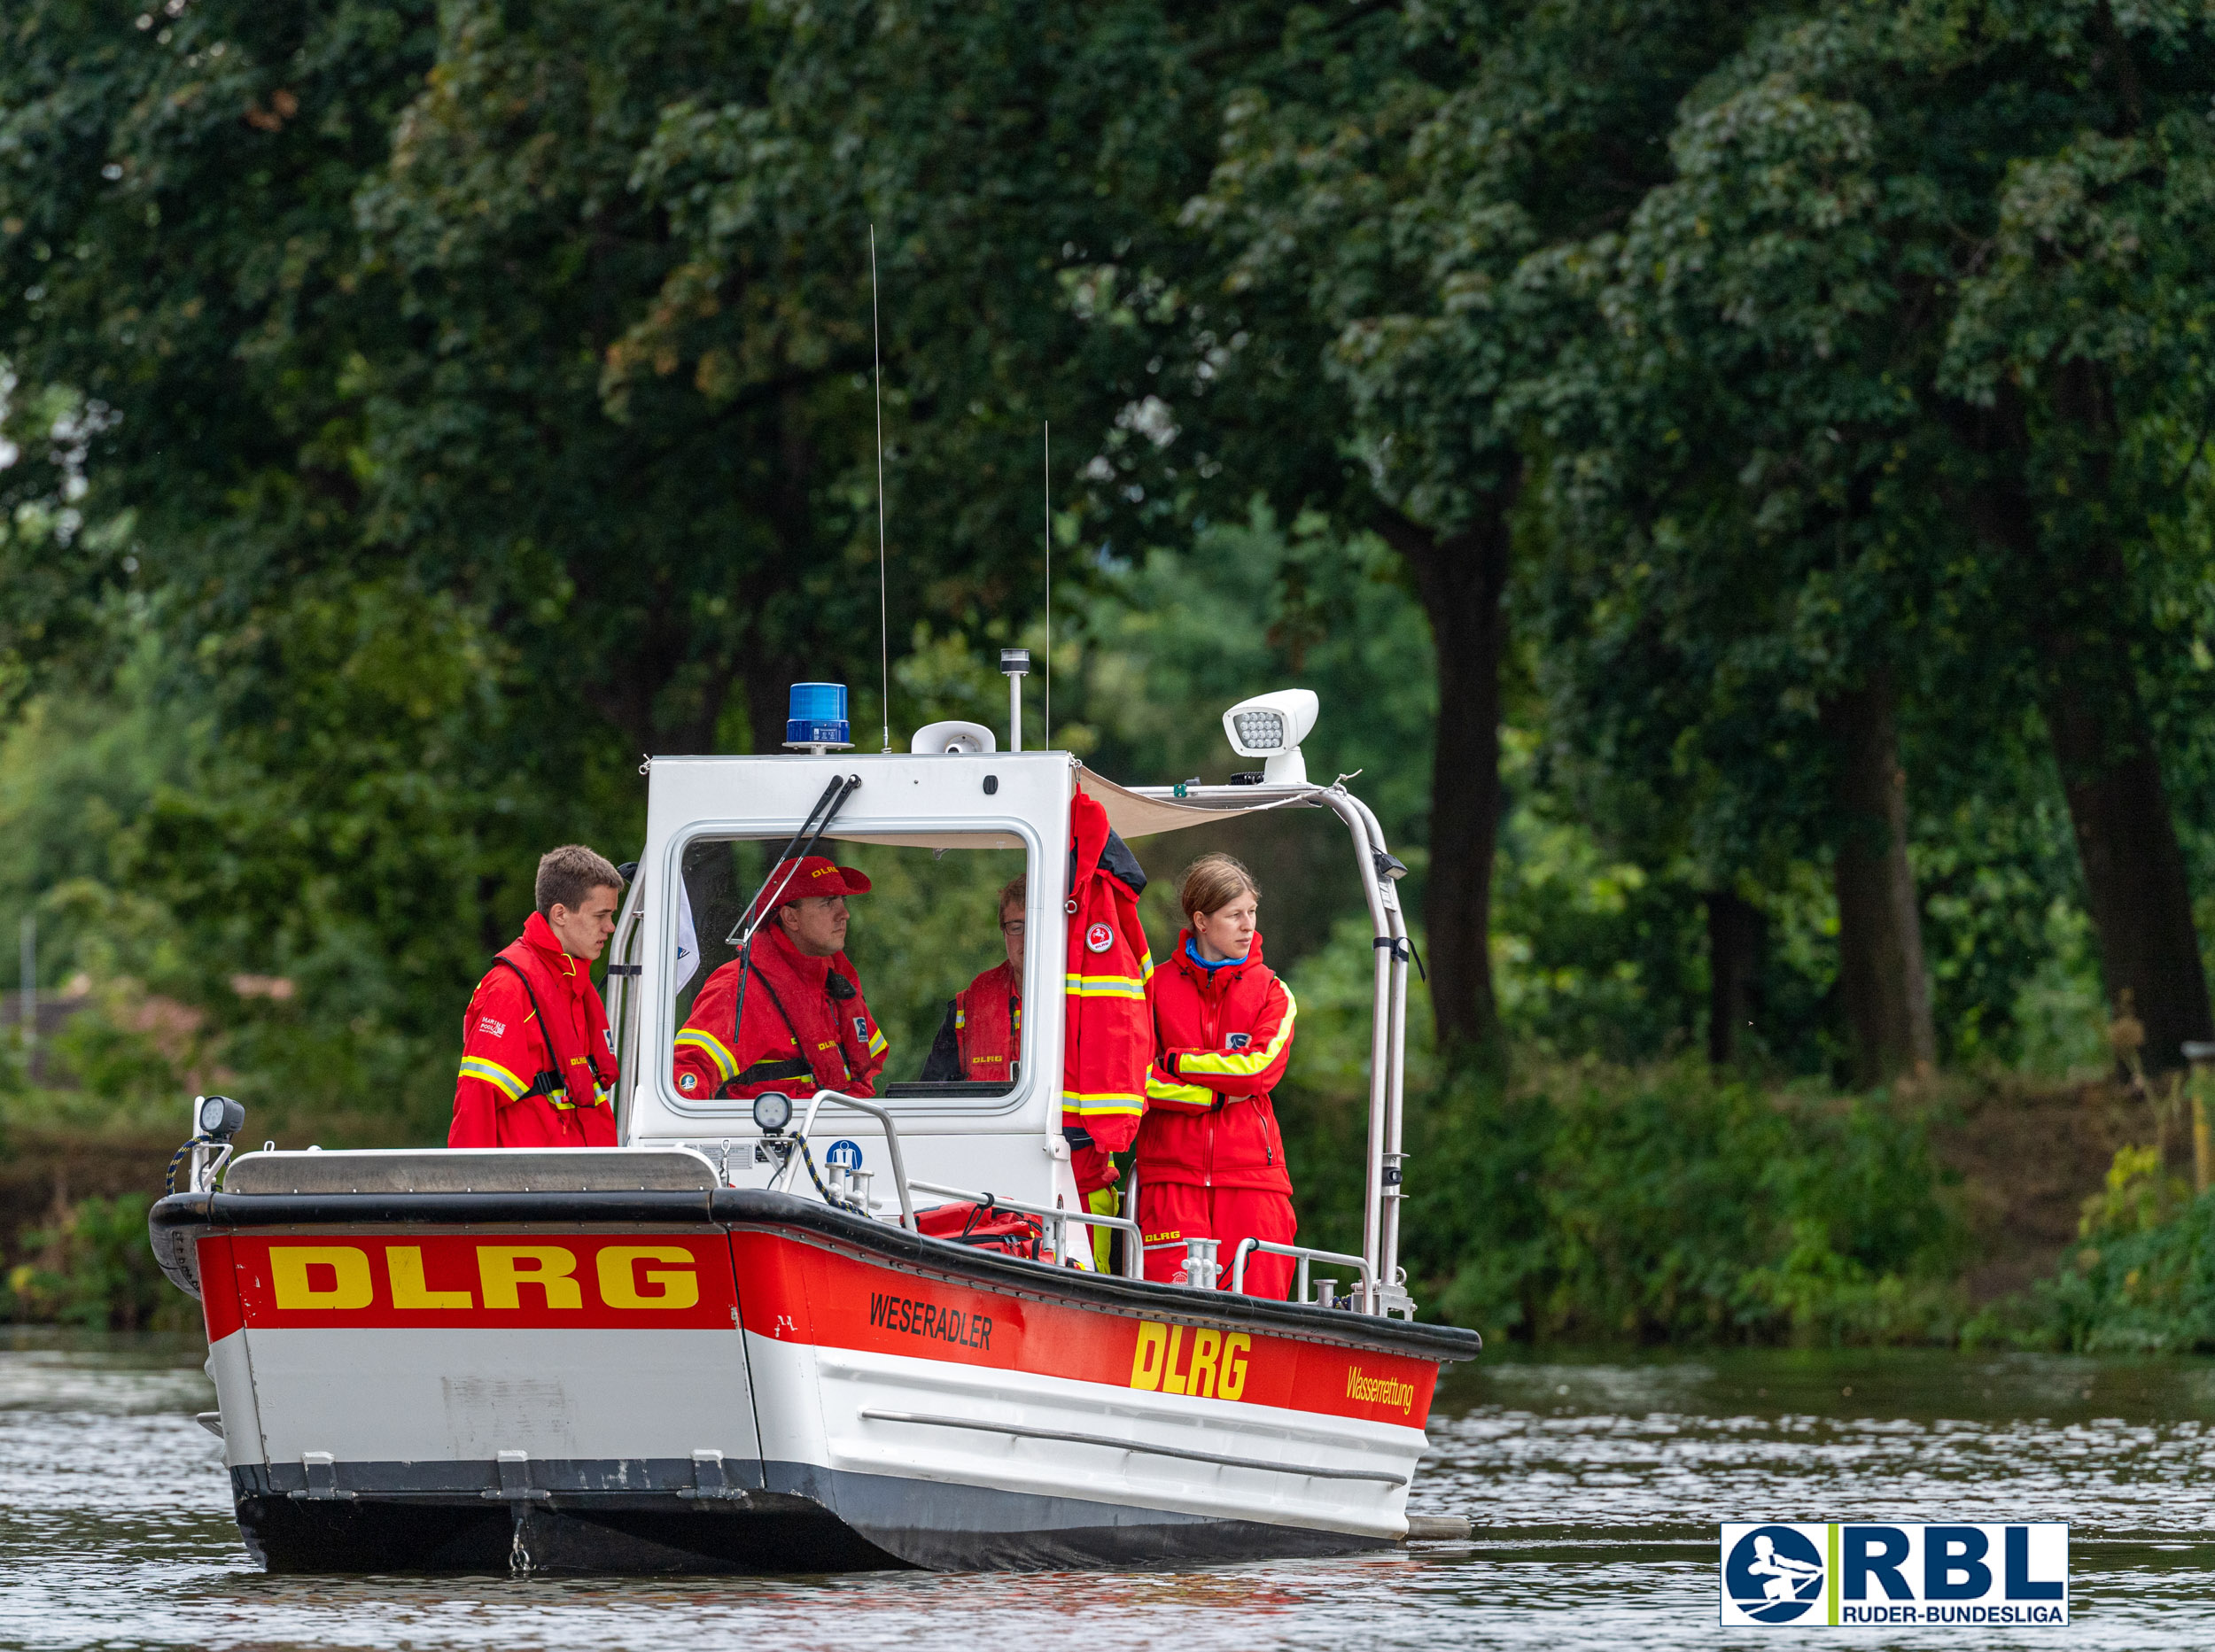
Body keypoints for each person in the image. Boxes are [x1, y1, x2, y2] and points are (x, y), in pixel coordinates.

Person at [1136, 854, 1299, 1298]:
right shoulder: (1151, 988)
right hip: (1170, 1181)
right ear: (1201, 921)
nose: (1249, 926)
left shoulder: (1272, 990)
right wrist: (1215, 1097)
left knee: (1262, 1322)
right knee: (1168, 1314)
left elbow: (1256, 1072)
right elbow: (1134, 1077)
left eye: (1252, 912)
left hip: (1254, 1183)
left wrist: (1178, 1063)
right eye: (1235, 915)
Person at [672, 855, 890, 1102]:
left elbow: (869, 1066)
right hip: (771, 1137)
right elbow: (686, 1078)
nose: (844, 914)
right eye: (828, 902)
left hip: (837, 1133)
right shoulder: (737, 989)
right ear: (790, 918)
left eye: (842, 900)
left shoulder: (834, 980)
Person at [450, 845, 625, 1149]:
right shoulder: (509, 990)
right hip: (531, 1187)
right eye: (601, 915)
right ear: (560, 914)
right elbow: (476, 1100)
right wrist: (465, 1191)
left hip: (578, 1179)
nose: (610, 927)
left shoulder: (572, 984)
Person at [921, 875, 1025, 1085]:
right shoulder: (968, 1005)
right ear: (1003, 932)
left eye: (1039, 925)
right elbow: (928, 1095)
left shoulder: (1082, 997)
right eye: (1017, 927)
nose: (1029, 937)